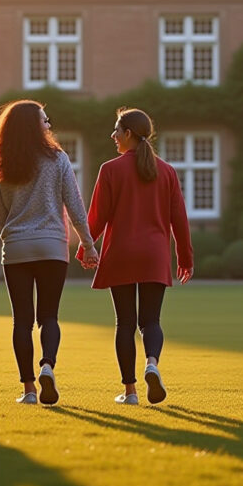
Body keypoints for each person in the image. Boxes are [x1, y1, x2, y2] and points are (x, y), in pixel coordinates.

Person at [0, 100, 100, 406]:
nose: (49, 126)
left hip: (17, 247)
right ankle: (47, 364)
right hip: (52, 246)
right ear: (33, 126)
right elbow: (74, 206)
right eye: (45, 121)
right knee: (49, 316)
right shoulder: (58, 159)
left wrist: (12, 235)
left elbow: (1, 217)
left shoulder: (1, 163)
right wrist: (88, 244)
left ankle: (29, 390)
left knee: (22, 321)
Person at [79, 107, 193, 406]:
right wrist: (185, 257)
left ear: (128, 133)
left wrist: (84, 247)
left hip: (121, 254)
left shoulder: (110, 169)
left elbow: (97, 216)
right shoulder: (167, 171)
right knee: (151, 321)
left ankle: (130, 393)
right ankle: (152, 363)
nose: (113, 136)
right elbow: (179, 219)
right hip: (154, 255)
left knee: (125, 324)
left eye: (116, 130)